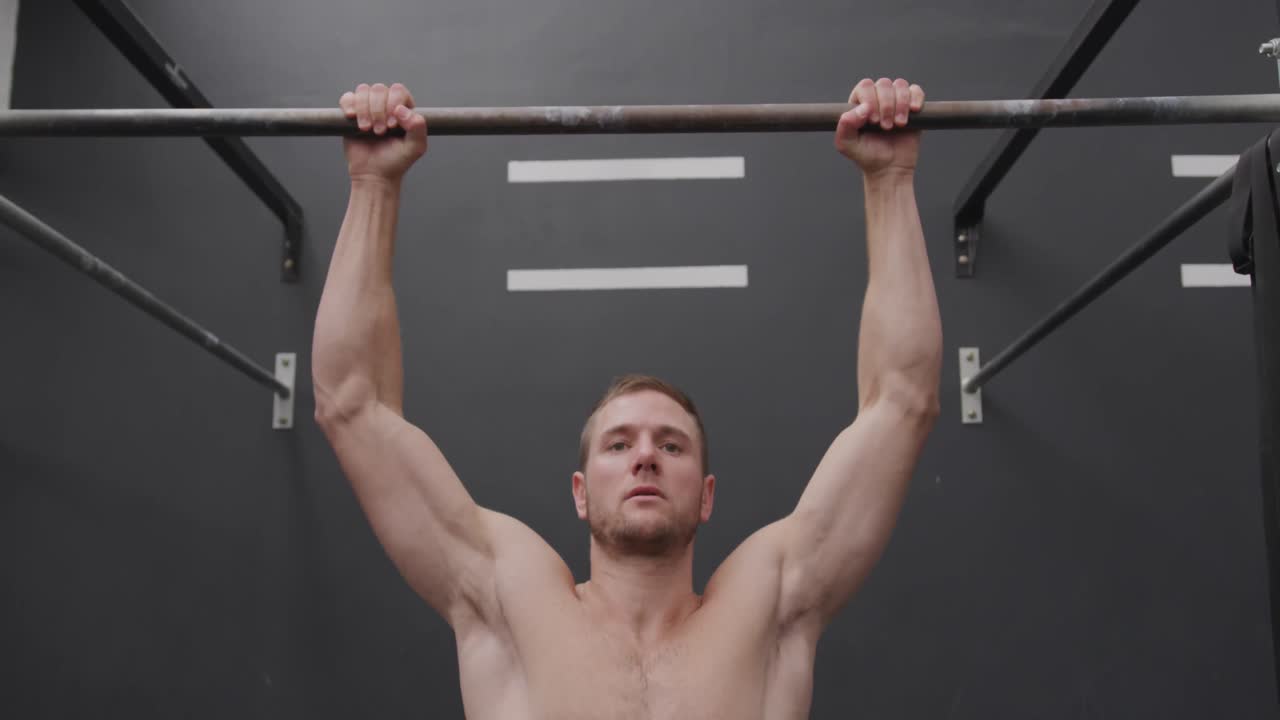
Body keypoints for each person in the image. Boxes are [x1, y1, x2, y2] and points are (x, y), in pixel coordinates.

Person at [312, 77, 942, 719]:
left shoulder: (770, 602)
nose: (646, 457)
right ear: (581, 491)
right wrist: (372, 186)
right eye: (620, 444)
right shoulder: (510, 597)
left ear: (707, 493)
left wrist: (890, 180)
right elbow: (352, 404)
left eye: (671, 444)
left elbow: (903, 402)